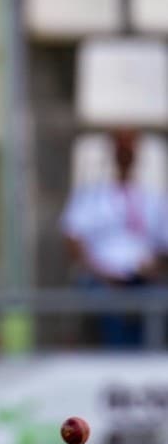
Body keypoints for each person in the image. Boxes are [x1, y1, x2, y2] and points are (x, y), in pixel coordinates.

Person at [60, 128, 167, 346]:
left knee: (156, 301)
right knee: (107, 305)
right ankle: (116, 359)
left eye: (129, 151)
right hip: (102, 280)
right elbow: (72, 237)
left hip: (143, 279)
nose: (125, 157)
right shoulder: (90, 196)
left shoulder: (152, 198)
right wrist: (100, 272)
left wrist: (153, 267)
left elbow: (163, 243)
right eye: (121, 150)